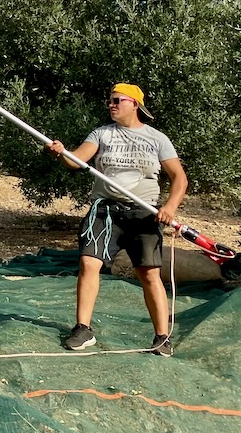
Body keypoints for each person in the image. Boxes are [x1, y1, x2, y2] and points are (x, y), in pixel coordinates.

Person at [45, 83, 187, 357]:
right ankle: (83, 329)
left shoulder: (157, 139)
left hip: (143, 213)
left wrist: (170, 206)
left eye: (117, 100)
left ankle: (161, 338)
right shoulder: (101, 134)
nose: (111, 104)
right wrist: (62, 152)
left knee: (149, 274)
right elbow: (77, 161)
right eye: (109, 100)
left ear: (134, 104)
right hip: (104, 212)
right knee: (89, 263)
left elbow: (179, 178)